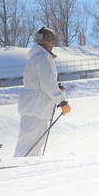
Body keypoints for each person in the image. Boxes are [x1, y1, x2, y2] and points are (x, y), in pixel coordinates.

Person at [15, 27, 71, 158]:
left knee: (30, 143)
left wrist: (56, 88)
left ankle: (26, 169)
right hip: (37, 107)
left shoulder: (35, 56)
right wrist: (61, 101)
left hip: (33, 105)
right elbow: (47, 84)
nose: (53, 46)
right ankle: (20, 169)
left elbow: (41, 82)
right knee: (30, 145)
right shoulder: (43, 57)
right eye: (52, 42)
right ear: (48, 42)